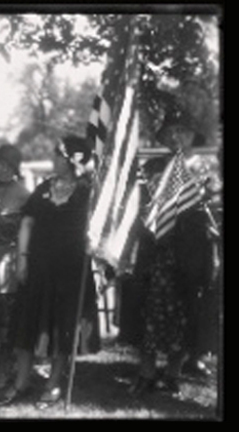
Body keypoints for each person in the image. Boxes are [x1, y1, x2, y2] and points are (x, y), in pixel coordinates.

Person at [0, 135, 100, 407]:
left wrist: (93, 241)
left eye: (58, 156)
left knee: (62, 327)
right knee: (27, 323)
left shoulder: (87, 191)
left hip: (71, 271)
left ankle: (53, 384)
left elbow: (97, 230)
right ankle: (21, 382)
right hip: (38, 268)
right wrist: (22, 259)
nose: (53, 160)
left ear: (72, 161)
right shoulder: (42, 188)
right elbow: (27, 224)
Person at [128, 111, 215, 396]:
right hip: (157, 251)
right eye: (171, 132)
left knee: (186, 312)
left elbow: (214, 210)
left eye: (184, 131)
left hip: (192, 253)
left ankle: (174, 373)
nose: (177, 136)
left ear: (193, 136)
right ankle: (147, 373)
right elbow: (141, 206)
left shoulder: (206, 168)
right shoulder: (152, 167)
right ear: (164, 138)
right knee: (150, 311)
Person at [0, 144, 30, 391]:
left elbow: (29, 230)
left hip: (7, 262)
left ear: (14, 168)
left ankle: (5, 366)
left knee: (5, 317)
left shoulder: (23, 194)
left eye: (7, 165)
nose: (1, 169)